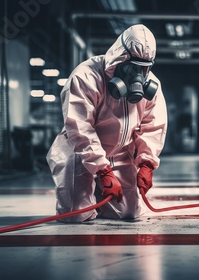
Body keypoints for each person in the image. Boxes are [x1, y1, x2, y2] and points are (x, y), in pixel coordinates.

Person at [46, 24, 167, 222]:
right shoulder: (86, 76)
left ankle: (100, 195)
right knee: (76, 215)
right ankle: (88, 191)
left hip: (119, 154)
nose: (138, 75)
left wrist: (146, 164)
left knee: (130, 213)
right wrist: (102, 171)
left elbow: (153, 126)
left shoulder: (152, 86)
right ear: (119, 59)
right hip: (78, 151)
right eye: (132, 67)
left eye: (144, 68)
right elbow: (80, 127)